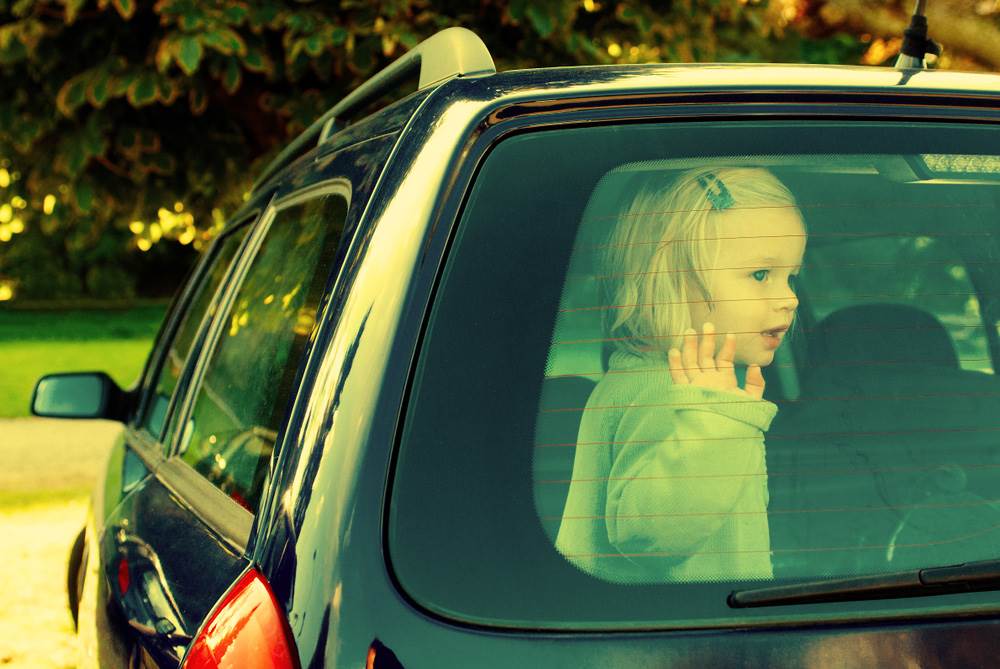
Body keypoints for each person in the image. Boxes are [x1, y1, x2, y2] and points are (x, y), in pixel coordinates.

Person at [554, 167, 806, 583]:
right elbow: (649, 536)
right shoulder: (666, 395)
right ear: (668, 278)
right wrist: (714, 424)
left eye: (791, 277)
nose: (789, 298)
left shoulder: (655, 385)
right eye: (760, 275)